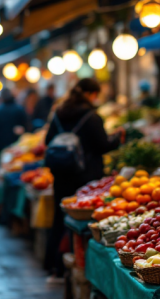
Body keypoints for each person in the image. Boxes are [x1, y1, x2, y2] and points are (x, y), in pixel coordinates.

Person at [44, 78, 124, 282]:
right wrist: (117, 139)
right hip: (85, 178)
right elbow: (102, 146)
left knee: (59, 219)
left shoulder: (58, 114)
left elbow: (47, 141)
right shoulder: (92, 117)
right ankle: (82, 268)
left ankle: (54, 267)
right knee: (83, 225)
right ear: (90, 94)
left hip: (61, 174)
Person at [0, 89, 28, 169]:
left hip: (1, 145)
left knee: (2, 168)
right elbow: (26, 127)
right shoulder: (19, 109)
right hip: (17, 146)